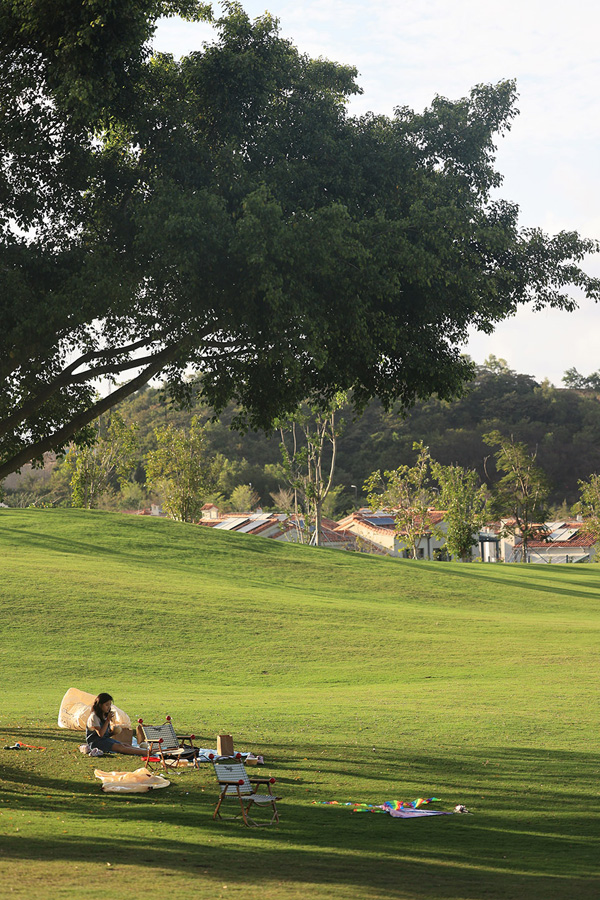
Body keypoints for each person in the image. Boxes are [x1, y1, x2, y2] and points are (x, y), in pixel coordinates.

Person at [86, 693, 149, 757]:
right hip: (96, 743)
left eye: (110, 705)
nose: (109, 707)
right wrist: (108, 720)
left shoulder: (104, 715)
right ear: (100, 705)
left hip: (104, 740)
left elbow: (105, 734)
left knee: (125, 745)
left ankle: (145, 751)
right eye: (106, 705)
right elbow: (101, 734)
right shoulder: (94, 717)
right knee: (120, 747)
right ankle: (145, 752)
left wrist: (113, 732)